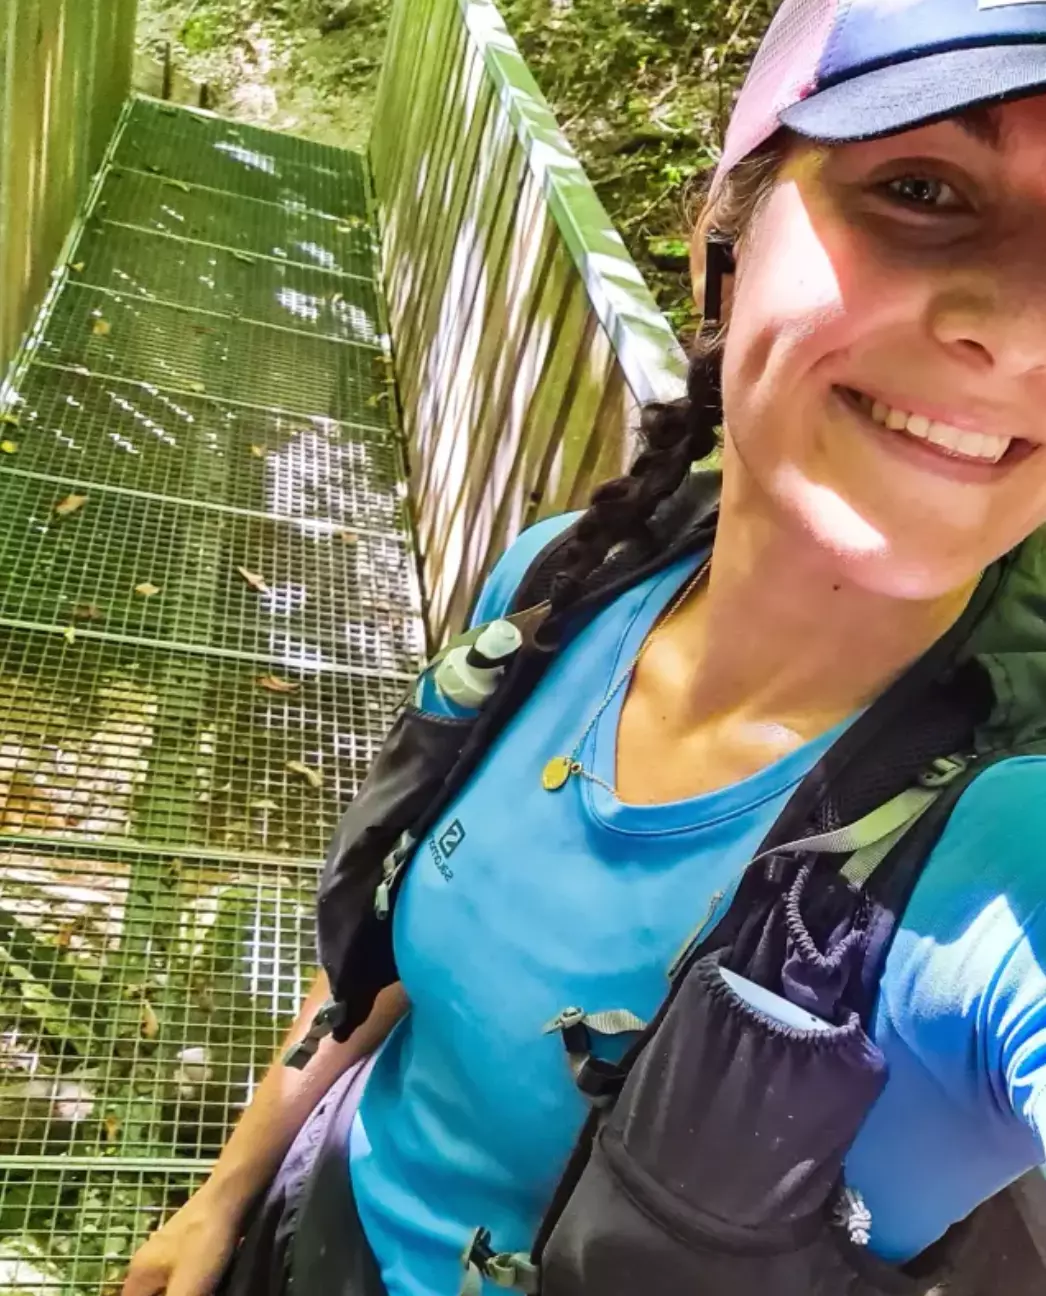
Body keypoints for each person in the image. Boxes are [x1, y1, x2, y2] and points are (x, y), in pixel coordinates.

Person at [124, 2, 1046, 1294]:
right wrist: (222, 1195)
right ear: (722, 252)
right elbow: (391, 933)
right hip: (308, 1229)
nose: (1021, 332)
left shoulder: (1005, 847)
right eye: (920, 190)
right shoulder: (567, 581)